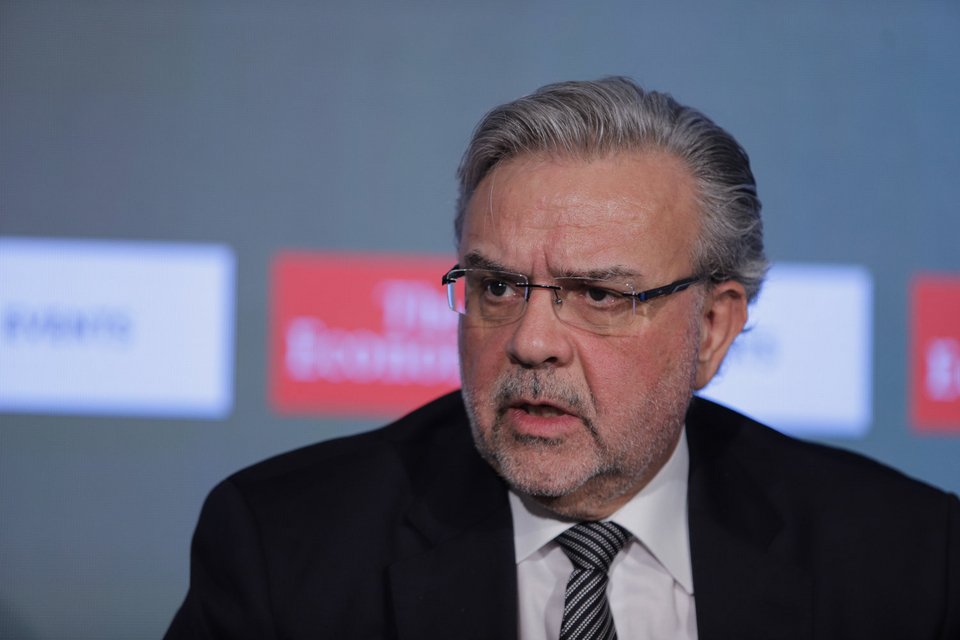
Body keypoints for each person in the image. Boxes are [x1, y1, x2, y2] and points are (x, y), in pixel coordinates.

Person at [165, 78, 959, 639]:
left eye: (600, 295)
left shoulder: (908, 563)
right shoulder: (285, 547)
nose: (531, 340)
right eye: (497, 286)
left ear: (713, 328)